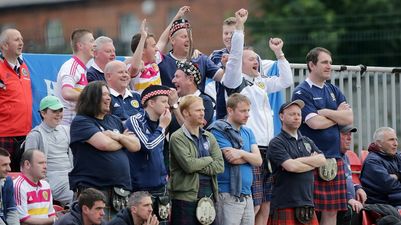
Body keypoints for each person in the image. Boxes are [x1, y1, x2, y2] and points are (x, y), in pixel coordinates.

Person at [221, 9, 293, 225]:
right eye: (251, 58)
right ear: (240, 63)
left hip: (266, 148)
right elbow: (234, 56)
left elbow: (286, 80)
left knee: (265, 204)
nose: (257, 62)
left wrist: (279, 54)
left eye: (258, 59)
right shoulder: (234, 80)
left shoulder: (260, 82)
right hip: (248, 147)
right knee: (252, 202)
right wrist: (241, 26)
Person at [292, 47, 353, 225]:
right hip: (311, 158)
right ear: (312, 65)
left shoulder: (333, 89)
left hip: (334, 158)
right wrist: (337, 115)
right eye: (325, 62)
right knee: (308, 213)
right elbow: (314, 124)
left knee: (331, 212)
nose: (329, 66)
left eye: (330, 63)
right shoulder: (302, 91)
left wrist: (326, 112)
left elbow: (349, 118)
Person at [69, 81, 141, 220]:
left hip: (119, 192)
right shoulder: (81, 121)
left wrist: (117, 136)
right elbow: (104, 144)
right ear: (91, 98)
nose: (109, 98)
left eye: (109, 94)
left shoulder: (114, 120)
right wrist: (123, 141)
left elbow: (136, 145)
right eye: (104, 94)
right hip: (94, 190)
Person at [267, 100, 326, 225]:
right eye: (292, 114)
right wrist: (311, 163)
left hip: (307, 203)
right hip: (285, 203)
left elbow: (322, 160)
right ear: (281, 116)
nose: (297, 117)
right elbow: (291, 166)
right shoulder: (277, 142)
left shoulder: (307, 141)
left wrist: (299, 161)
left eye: (299, 114)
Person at [169, 95, 224, 225]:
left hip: (209, 197)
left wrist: (197, 163)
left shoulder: (209, 136)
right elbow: (189, 165)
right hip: (185, 199)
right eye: (198, 110)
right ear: (186, 113)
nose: (202, 113)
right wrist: (209, 159)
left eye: (203, 110)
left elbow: (220, 166)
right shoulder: (177, 137)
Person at [209, 93, 262, 225]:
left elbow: (259, 160)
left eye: (248, 110)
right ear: (230, 110)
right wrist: (249, 156)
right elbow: (232, 159)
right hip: (227, 193)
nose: (247, 114)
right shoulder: (218, 130)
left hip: (247, 194)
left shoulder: (248, 132)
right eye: (243, 111)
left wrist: (241, 153)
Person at [125, 85, 171, 224]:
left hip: (161, 187)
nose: (167, 106)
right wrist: (162, 127)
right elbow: (148, 146)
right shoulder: (135, 121)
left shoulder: (162, 122)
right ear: (151, 103)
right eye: (163, 101)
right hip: (141, 189)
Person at [24, 95, 73, 206]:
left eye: (60, 110)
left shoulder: (67, 130)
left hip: (71, 175)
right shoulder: (35, 135)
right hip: (51, 179)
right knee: (79, 197)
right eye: (55, 110)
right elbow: (28, 167)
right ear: (43, 113)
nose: (59, 114)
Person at [128, 6, 189, 94]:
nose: (156, 48)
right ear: (143, 50)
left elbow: (163, 40)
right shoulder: (134, 67)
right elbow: (134, 67)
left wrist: (177, 17)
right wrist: (143, 37)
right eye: (153, 46)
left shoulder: (154, 60)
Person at [158, 17, 224, 92]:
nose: (188, 39)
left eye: (190, 37)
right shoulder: (163, 62)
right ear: (172, 40)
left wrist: (226, 64)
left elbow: (223, 77)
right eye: (184, 37)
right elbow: (158, 47)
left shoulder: (200, 59)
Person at [0, 28, 32, 172]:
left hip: (25, 134)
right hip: (4, 134)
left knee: (22, 178)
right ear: (4, 46)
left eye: (21, 39)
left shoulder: (24, 67)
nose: (21, 42)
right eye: (16, 40)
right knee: (4, 178)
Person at [55, 29, 94, 125]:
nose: (95, 45)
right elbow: (67, 93)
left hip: (77, 125)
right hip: (68, 127)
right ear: (80, 45)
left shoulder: (82, 68)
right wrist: (93, 98)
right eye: (91, 41)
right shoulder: (71, 66)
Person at [169, 60, 215, 134]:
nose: (173, 80)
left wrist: (175, 106)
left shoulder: (205, 102)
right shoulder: (176, 102)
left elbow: (194, 131)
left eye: (177, 77)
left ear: (190, 79)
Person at [360, 127, 401, 207]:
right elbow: (389, 186)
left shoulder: (396, 156)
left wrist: (397, 176)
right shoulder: (372, 161)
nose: (396, 143)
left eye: (396, 139)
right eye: (391, 140)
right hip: (385, 206)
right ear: (379, 143)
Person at [13, 149, 57, 225]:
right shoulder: (18, 185)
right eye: (41, 163)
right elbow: (23, 219)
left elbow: (51, 214)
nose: (45, 167)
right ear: (27, 164)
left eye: (45, 163)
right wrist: (52, 220)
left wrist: (53, 219)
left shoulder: (46, 185)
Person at [337, 125, 367, 225]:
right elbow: (333, 183)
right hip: (338, 202)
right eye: (345, 134)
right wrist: (349, 199)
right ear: (334, 136)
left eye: (350, 135)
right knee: (352, 210)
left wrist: (358, 187)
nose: (349, 138)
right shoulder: (332, 157)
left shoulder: (345, 156)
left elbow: (348, 178)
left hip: (349, 200)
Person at [209, 16, 236, 118]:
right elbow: (201, 76)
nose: (228, 36)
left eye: (232, 33)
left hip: (244, 111)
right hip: (222, 110)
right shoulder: (215, 56)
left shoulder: (250, 57)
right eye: (226, 33)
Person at [0, 147, 19, 225]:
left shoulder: (7, 180)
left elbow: (11, 209)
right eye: (4, 165)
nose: (9, 169)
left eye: (9, 164)